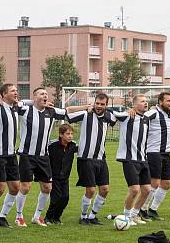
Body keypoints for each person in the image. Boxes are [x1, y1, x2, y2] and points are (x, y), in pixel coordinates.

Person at [14, 88, 83, 227]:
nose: (45, 96)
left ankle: (37, 216)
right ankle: (19, 216)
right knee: (25, 187)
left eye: (46, 94)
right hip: (27, 154)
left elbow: (68, 111)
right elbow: (16, 104)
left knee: (47, 187)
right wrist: (32, 101)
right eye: (41, 94)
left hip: (43, 156)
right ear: (34, 97)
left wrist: (87, 107)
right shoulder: (26, 110)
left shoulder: (51, 112)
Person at [66, 93, 116, 226]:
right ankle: (83, 216)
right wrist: (85, 107)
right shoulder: (85, 114)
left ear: (106, 105)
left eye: (102, 104)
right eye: (97, 103)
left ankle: (93, 216)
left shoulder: (109, 116)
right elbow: (68, 111)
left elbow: (120, 118)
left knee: (105, 189)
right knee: (91, 190)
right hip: (85, 158)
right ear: (94, 103)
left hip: (101, 158)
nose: (99, 106)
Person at [114, 94, 158, 227]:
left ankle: (134, 214)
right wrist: (127, 111)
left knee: (147, 190)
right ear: (134, 104)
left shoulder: (147, 118)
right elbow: (113, 113)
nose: (145, 103)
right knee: (134, 189)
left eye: (146, 101)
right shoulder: (128, 116)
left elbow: (159, 109)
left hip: (143, 159)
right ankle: (126, 217)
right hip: (129, 159)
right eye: (142, 101)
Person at [141, 91, 170, 221]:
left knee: (166, 183)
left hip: (166, 153)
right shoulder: (154, 112)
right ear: (160, 102)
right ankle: (142, 209)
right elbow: (141, 117)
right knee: (154, 183)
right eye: (168, 101)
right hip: (153, 152)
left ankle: (153, 210)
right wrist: (131, 111)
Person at [0, 83, 23, 227]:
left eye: (16, 90)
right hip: (0, 154)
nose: (16, 93)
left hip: (12, 154)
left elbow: (30, 103)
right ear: (4, 95)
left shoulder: (16, 108)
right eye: (12, 91)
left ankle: (2, 216)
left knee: (15, 187)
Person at [45, 124, 77, 224]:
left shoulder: (73, 145)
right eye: (68, 134)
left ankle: (56, 218)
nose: (70, 136)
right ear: (61, 134)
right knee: (56, 198)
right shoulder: (52, 146)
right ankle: (48, 217)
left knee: (65, 198)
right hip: (54, 176)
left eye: (71, 134)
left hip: (65, 177)